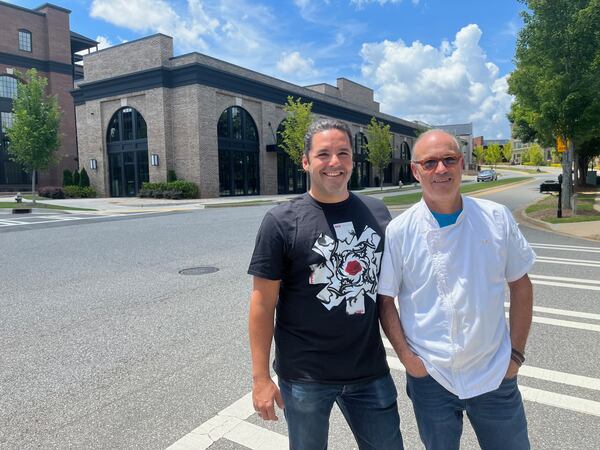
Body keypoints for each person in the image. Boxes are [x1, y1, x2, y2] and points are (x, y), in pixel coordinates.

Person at [248, 118, 404, 449]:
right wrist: (260, 378)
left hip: (369, 371)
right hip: (305, 376)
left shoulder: (377, 213)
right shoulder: (281, 221)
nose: (335, 162)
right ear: (305, 161)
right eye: (324, 154)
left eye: (343, 153)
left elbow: (390, 291)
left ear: (352, 160)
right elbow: (262, 303)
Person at [378, 129, 535, 450]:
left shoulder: (496, 218)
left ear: (462, 164)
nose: (441, 169)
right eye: (430, 162)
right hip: (431, 377)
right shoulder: (399, 231)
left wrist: (515, 356)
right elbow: (385, 300)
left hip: (494, 373)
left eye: (449, 160)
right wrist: (409, 360)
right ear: (415, 170)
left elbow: (521, 286)